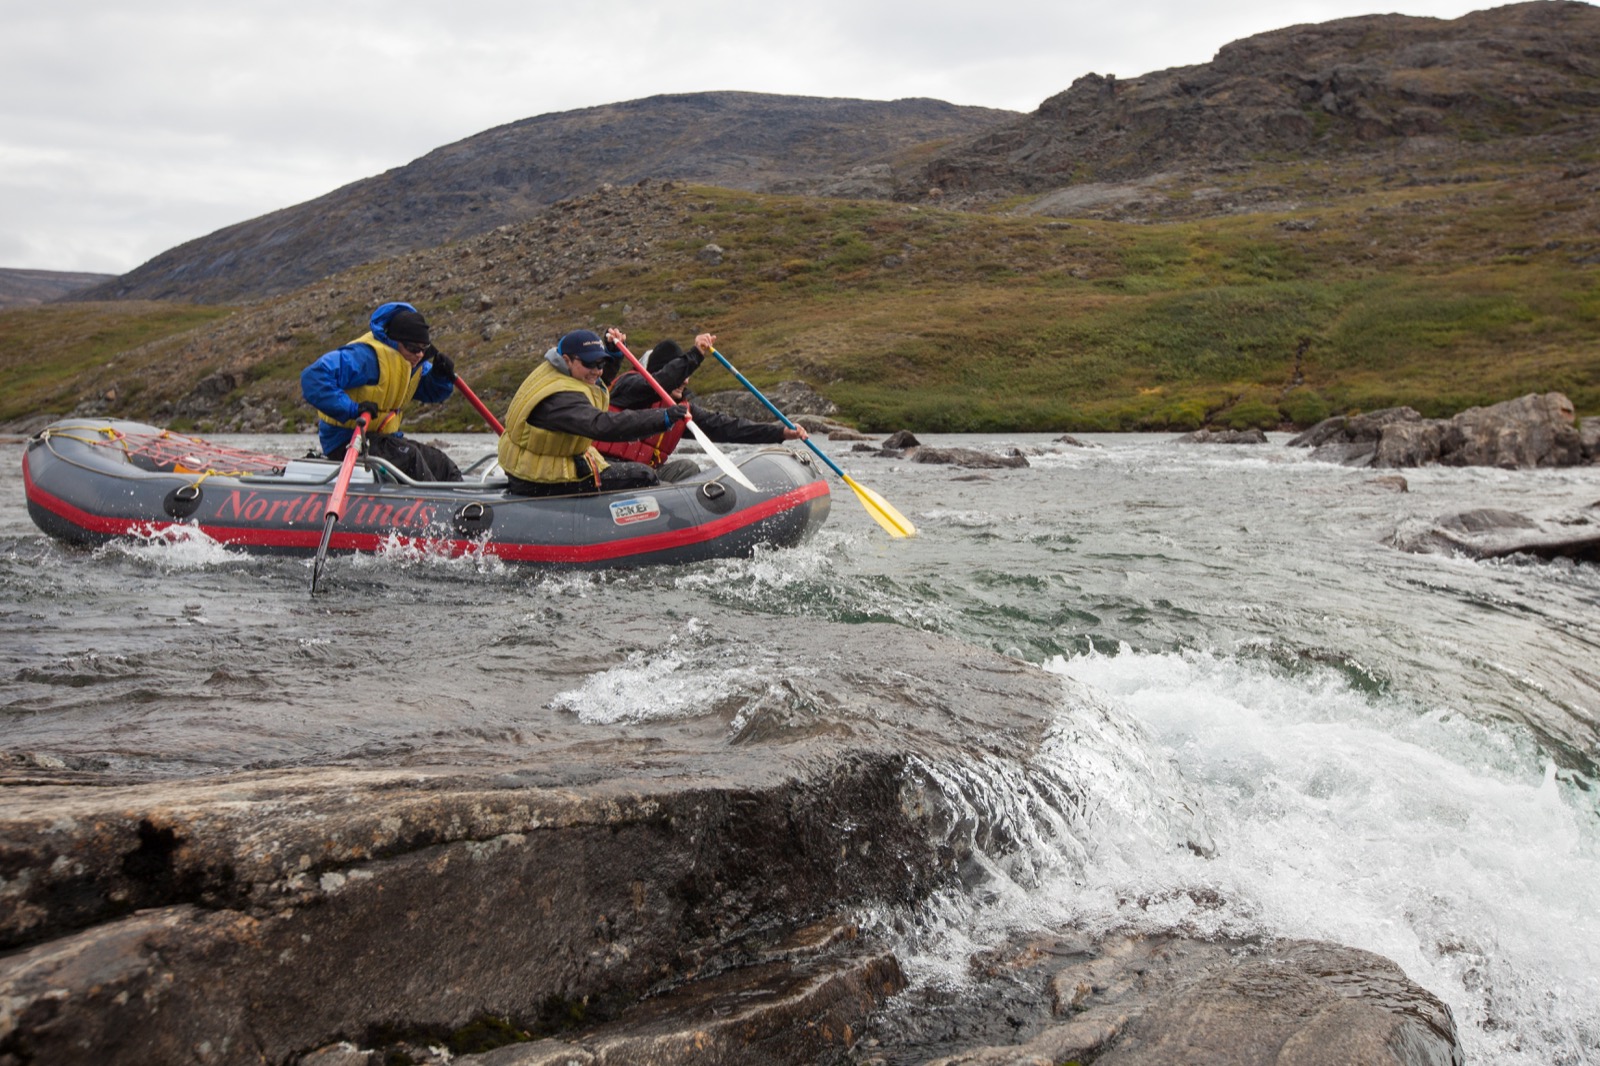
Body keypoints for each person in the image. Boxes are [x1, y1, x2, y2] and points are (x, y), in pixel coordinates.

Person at [496, 328, 690, 497]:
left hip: (543, 465)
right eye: (590, 363)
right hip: (540, 478)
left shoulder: (556, 372)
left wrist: (613, 356)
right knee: (643, 475)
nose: (597, 371)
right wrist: (662, 418)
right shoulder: (560, 398)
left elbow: (597, 383)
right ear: (567, 360)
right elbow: (602, 424)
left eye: (601, 363)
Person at [597, 332, 808, 481]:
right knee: (644, 476)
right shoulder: (629, 387)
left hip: (645, 477)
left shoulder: (681, 409)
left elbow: (729, 427)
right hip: (606, 470)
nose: (686, 381)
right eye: (681, 375)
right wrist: (695, 354)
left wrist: (780, 432)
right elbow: (661, 382)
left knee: (687, 468)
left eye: (687, 376)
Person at [300, 302, 463, 482]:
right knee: (410, 458)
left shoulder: (412, 364)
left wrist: (439, 377)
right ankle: (434, 506)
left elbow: (430, 392)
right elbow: (313, 377)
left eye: (423, 349)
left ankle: (467, 506)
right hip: (347, 442)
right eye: (413, 348)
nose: (419, 355)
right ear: (395, 341)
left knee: (442, 464)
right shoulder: (364, 357)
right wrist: (352, 409)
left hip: (385, 440)